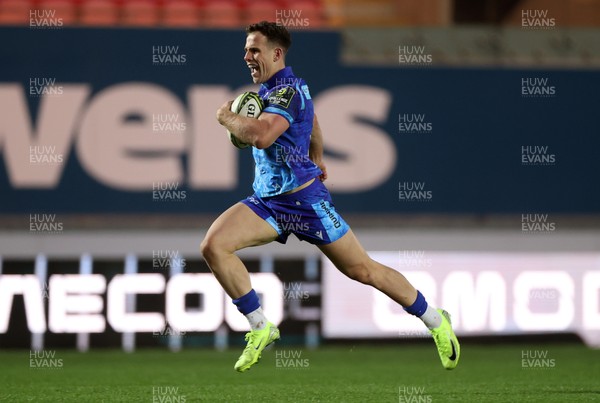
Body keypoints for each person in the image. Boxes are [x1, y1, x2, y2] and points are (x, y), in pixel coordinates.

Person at [202, 21, 460, 373]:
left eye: (254, 49)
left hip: (305, 203)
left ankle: (435, 320)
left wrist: (226, 116)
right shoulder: (280, 90)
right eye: (247, 49)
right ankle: (260, 326)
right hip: (268, 202)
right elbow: (313, 119)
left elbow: (260, 136)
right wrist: (318, 154)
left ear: (276, 54)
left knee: (363, 270)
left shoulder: (287, 91)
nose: (247, 55)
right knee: (214, 246)